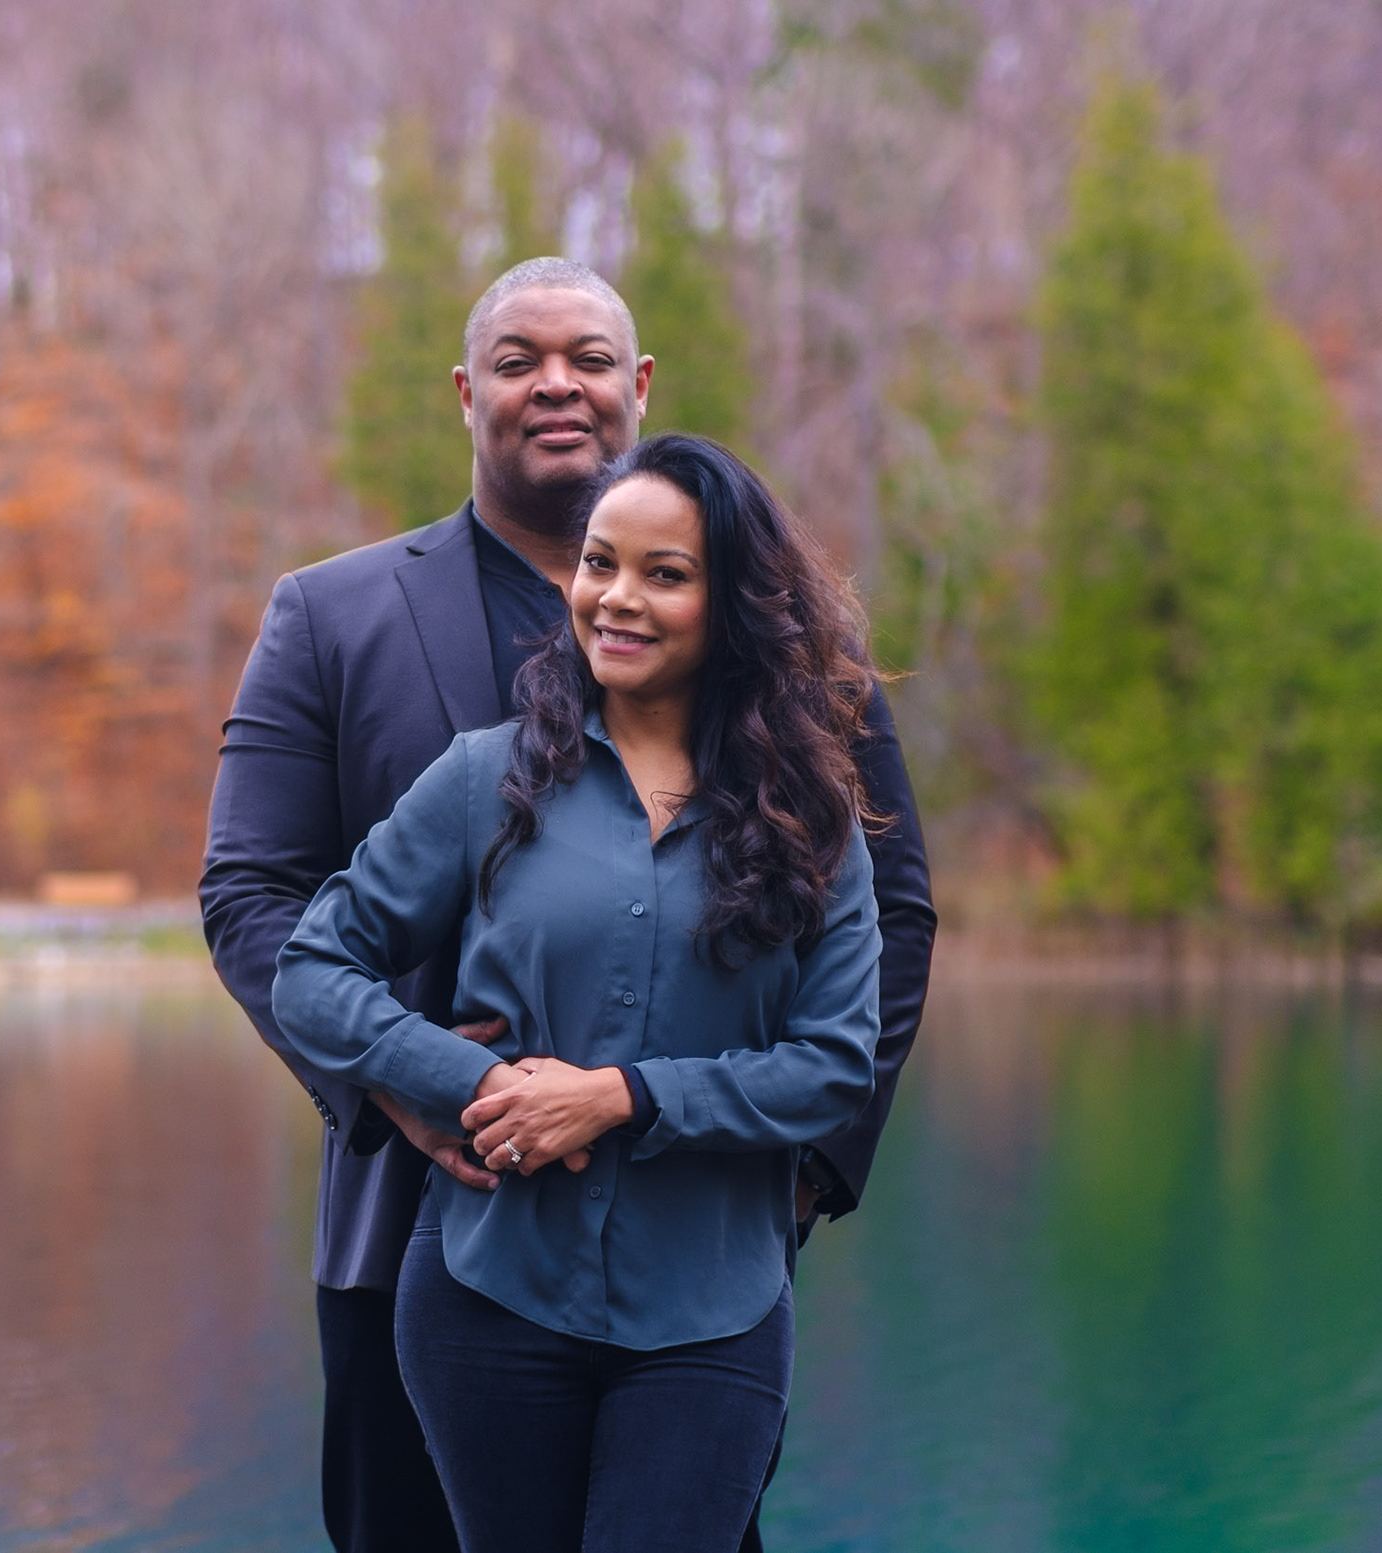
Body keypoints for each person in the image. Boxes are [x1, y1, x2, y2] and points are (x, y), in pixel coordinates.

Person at [200, 258, 935, 1553]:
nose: (557, 385)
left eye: (590, 358)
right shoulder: (330, 616)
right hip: (421, 1245)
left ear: (638, 385)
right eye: (518, 359)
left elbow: (896, 917)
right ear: (464, 392)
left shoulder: (790, 646)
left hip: (699, 1258)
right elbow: (257, 896)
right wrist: (406, 1083)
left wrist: (798, 1173)